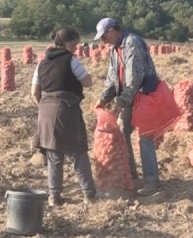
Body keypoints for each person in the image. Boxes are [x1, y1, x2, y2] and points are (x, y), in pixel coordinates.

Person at [93, 17, 163, 196]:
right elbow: (112, 78)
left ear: (112, 31)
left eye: (103, 36)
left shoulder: (131, 43)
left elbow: (134, 79)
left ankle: (151, 181)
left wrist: (119, 103)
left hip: (144, 94)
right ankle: (130, 175)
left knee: (144, 136)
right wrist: (103, 98)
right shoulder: (114, 49)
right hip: (129, 96)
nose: (103, 41)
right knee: (123, 132)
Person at [31, 28, 97, 206]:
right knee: (77, 152)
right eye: (75, 44)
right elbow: (87, 82)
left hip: (45, 111)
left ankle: (54, 197)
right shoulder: (71, 60)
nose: (76, 48)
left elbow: (34, 93)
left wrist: (46, 106)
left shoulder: (41, 64)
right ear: (68, 43)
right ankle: (89, 195)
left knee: (54, 155)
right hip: (66, 109)